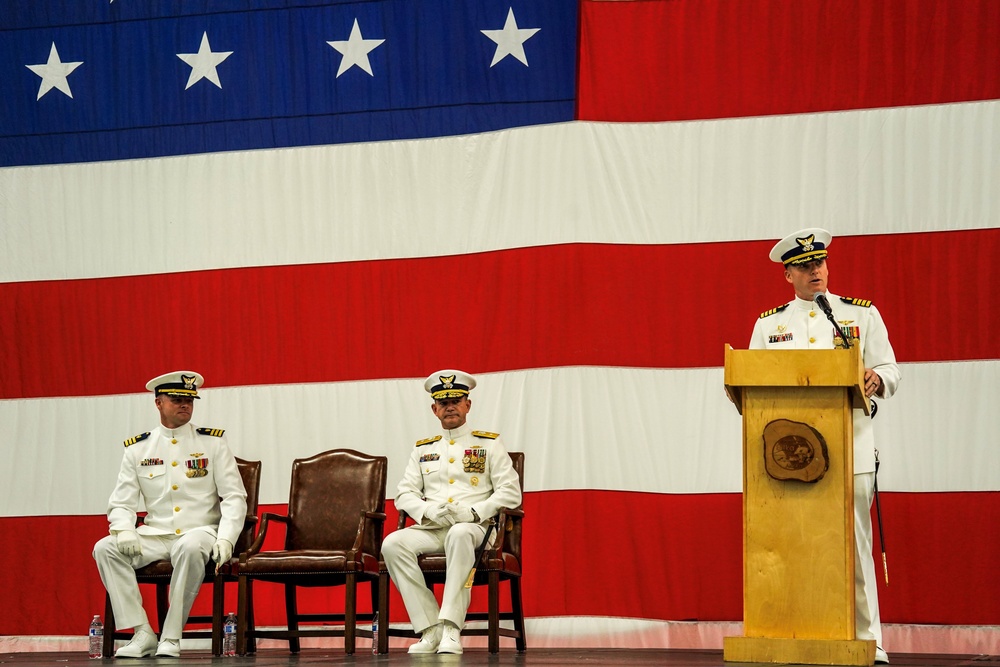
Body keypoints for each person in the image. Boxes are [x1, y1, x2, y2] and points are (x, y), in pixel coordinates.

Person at [749, 229, 900, 665]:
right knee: (788, 546)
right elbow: (749, 384)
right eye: (804, 266)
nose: (815, 271)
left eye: (820, 263)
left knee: (854, 548)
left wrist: (877, 378)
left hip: (849, 450)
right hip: (787, 459)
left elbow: (891, 369)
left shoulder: (859, 315)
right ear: (788, 275)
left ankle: (870, 642)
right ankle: (794, 635)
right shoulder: (770, 325)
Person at [92, 371, 247, 658]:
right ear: (158, 403)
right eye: (176, 399)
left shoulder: (212, 443)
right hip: (156, 533)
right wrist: (124, 528)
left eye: (189, 400)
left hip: (199, 531)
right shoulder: (138, 449)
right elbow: (122, 502)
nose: (185, 405)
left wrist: (226, 538)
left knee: (188, 547)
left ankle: (171, 636)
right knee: (104, 548)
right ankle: (142, 632)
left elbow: (234, 497)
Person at [381, 370, 522, 654]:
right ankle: (430, 628)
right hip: (435, 526)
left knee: (458, 533)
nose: (450, 407)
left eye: (456, 400)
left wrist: (473, 512)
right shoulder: (423, 450)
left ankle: (451, 628)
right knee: (392, 544)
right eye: (443, 403)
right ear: (434, 409)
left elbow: (510, 492)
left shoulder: (489, 444)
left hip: (475, 528)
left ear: (468, 405)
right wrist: (428, 511)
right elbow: (405, 493)